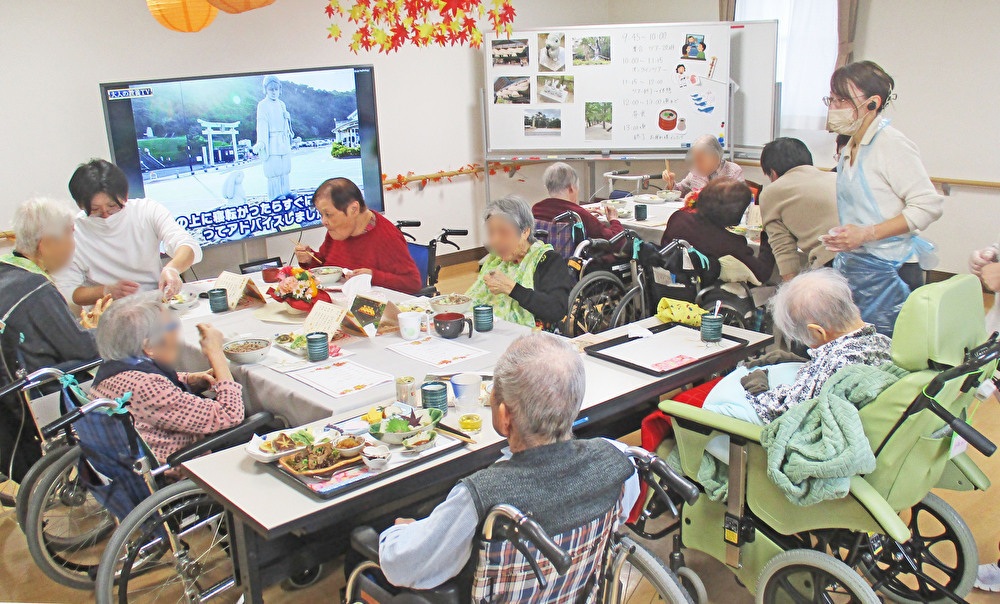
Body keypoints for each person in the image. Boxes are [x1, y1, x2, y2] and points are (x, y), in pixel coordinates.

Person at [377, 333, 639, 595]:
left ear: (504, 417)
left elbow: (403, 566)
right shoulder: (616, 457)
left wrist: (400, 532)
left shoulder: (482, 495)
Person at [820, 61, 943, 334]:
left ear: (872, 103)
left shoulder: (891, 144)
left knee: (886, 355)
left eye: (843, 100)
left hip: (891, 272)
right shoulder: (851, 144)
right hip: (858, 266)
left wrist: (867, 233)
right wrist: (847, 235)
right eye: (832, 99)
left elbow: (928, 205)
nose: (834, 107)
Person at [0, 198, 105, 482]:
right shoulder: (36, 290)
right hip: (41, 395)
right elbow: (83, 348)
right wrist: (99, 326)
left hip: (10, 399)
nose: (74, 244)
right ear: (45, 244)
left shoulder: (7, 270)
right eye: (71, 233)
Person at [91, 295, 245, 462]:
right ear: (149, 346)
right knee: (264, 424)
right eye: (171, 326)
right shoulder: (146, 386)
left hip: (130, 456)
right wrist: (216, 353)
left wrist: (190, 380)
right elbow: (230, 414)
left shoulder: (113, 369)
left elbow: (155, 395)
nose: (177, 334)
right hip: (182, 465)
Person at [736, 269, 892, 424]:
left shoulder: (834, 364)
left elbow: (782, 412)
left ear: (817, 332)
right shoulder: (885, 342)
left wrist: (757, 386)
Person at [58, 159, 202, 307]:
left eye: (112, 206)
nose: (106, 215)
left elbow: (187, 245)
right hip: (110, 312)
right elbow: (68, 291)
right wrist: (106, 291)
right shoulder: (73, 232)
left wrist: (172, 269)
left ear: (125, 195)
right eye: (95, 210)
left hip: (156, 303)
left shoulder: (146, 210)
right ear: (80, 205)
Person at [295, 178, 422, 294]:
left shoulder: (387, 236)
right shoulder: (337, 230)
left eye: (328, 214)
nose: (324, 221)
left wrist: (373, 276)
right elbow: (325, 265)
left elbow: (412, 283)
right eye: (321, 214)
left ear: (354, 209)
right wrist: (310, 258)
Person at [466, 195, 574, 329]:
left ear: (525, 231)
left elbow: (556, 309)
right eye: (491, 233)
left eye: (503, 232)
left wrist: (512, 288)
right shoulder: (495, 261)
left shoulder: (548, 261)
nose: (495, 241)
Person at [660, 178, 775, 284]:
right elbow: (761, 274)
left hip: (668, 287)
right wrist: (769, 235)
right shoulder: (729, 243)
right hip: (704, 296)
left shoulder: (678, 218)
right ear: (737, 214)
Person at [759, 137, 839, 280]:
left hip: (832, 265)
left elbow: (783, 248)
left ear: (773, 172)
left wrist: (792, 291)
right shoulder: (836, 178)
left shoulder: (772, 191)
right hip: (873, 258)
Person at [532, 162, 623, 241]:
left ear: (548, 188)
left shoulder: (536, 209)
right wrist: (614, 220)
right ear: (571, 188)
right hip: (575, 260)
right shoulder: (578, 215)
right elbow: (614, 240)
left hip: (545, 259)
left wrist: (584, 214)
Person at [662, 134, 744, 196]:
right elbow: (679, 192)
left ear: (716, 158)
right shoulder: (695, 172)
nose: (696, 165)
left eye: (700, 160)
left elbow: (741, 199)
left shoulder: (733, 171)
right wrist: (671, 183)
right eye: (695, 160)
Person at [255, 75, 294, 201]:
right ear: (265, 89)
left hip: (283, 140)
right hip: (271, 141)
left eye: (276, 89)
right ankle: (275, 195)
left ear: (279, 90)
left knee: (285, 169)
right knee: (274, 170)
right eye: (271, 89)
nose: (273, 92)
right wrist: (261, 142)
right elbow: (262, 123)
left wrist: (289, 129)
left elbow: (286, 124)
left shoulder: (282, 104)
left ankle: (286, 191)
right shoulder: (262, 105)